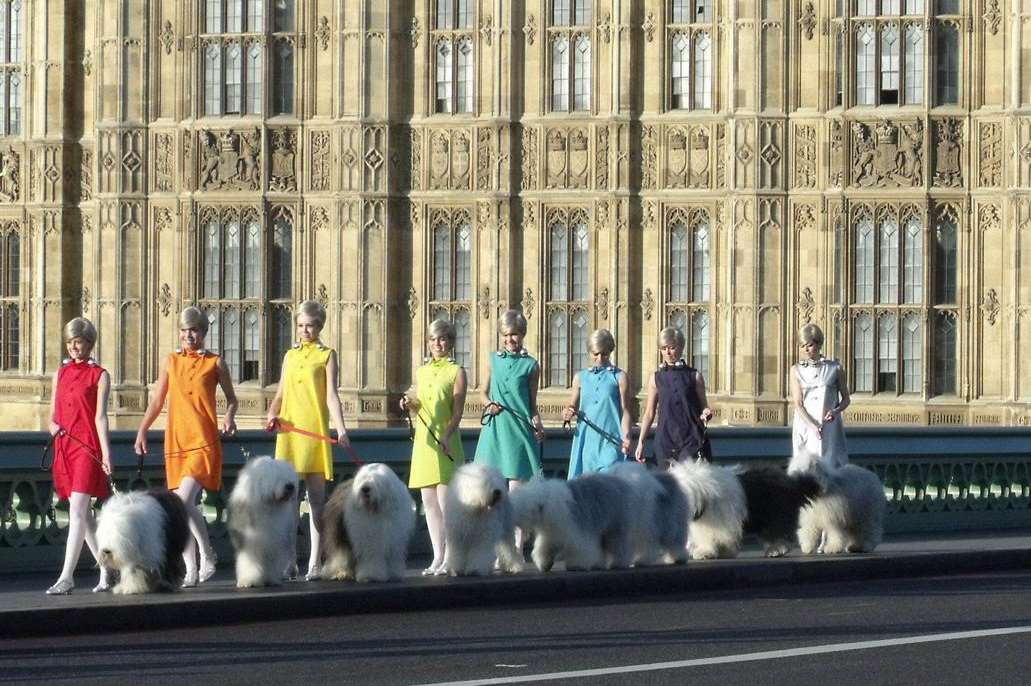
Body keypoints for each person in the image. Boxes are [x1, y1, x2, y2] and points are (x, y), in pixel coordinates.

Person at [134, 306, 238, 587]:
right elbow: (157, 401)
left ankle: (207, 553)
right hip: (177, 440)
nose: (188, 335)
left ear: (203, 332)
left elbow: (231, 399)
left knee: (181, 502)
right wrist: (142, 430)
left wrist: (229, 416)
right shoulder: (171, 362)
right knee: (184, 505)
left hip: (203, 440)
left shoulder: (215, 363)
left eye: (194, 330)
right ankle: (191, 568)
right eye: (184, 330)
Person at [266, 300, 350, 581]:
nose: (304, 330)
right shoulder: (290, 356)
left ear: (319, 326)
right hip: (290, 433)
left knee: (316, 502)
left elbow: (331, 396)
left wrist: (341, 429)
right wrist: (271, 414)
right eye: (300, 325)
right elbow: (279, 394)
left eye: (309, 325)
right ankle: (290, 560)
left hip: (314, 432)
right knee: (287, 503)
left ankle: (315, 561)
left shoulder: (327, 355)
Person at [45, 318, 113, 595]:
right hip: (64, 447)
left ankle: (67, 576)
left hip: (87, 448)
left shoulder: (100, 375)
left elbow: (101, 417)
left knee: (77, 512)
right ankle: (107, 569)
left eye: (79, 341)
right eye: (70, 342)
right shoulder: (59, 374)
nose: (74, 346)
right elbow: (52, 414)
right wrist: (52, 426)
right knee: (84, 517)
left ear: (90, 343)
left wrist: (107, 454)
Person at [401, 319, 466, 575]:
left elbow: (457, 411)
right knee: (428, 502)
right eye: (433, 340)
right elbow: (422, 405)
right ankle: (437, 556)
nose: (437, 344)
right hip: (425, 442)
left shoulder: (457, 371)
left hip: (446, 440)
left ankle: (451, 556)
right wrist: (409, 404)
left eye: (442, 339)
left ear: (450, 342)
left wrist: (447, 435)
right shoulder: (423, 371)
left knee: (446, 503)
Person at [474, 309, 545, 547]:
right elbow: (482, 393)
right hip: (495, 431)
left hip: (519, 433)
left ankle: (515, 547)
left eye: (514, 334)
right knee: (490, 494)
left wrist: (538, 425)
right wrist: (489, 405)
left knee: (515, 497)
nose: (509, 340)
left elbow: (532, 405)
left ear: (522, 334)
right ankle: (494, 545)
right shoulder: (492, 360)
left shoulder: (531, 365)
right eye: (505, 335)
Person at [635, 327, 714, 469]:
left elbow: (704, 406)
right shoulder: (655, 378)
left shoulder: (694, 376)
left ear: (680, 347)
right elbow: (649, 413)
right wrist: (641, 442)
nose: (668, 352)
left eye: (672, 347)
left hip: (691, 438)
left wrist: (706, 413)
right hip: (665, 439)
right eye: (664, 348)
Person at [562, 328, 632, 477]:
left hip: (611, 438)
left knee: (609, 480)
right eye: (596, 354)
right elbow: (572, 405)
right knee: (587, 485)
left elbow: (625, 410)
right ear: (590, 352)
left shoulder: (619, 376)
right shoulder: (580, 377)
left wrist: (626, 436)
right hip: (587, 439)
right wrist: (567, 413)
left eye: (604, 354)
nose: (600, 358)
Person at [788, 323, 851, 474]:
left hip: (829, 425)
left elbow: (846, 399)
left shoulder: (835, 368)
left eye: (809, 345)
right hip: (806, 425)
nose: (806, 350)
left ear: (818, 344)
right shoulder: (796, 370)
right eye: (802, 346)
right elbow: (798, 403)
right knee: (805, 468)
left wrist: (835, 412)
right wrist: (812, 425)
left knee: (831, 466)